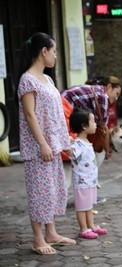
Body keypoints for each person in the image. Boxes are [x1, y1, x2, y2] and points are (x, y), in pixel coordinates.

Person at [16, 32, 76, 255]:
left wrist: (64, 140)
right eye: (55, 51)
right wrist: (42, 144)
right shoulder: (27, 80)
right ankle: (38, 238)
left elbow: (57, 114)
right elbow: (30, 115)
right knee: (39, 193)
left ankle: (51, 232)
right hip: (38, 149)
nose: (56, 56)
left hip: (53, 146)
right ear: (44, 52)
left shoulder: (47, 79)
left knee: (53, 189)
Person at [69, 108, 108, 239]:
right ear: (84, 126)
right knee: (81, 207)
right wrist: (67, 142)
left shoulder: (86, 142)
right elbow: (71, 154)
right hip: (82, 182)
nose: (96, 124)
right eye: (93, 121)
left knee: (89, 205)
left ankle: (91, 225)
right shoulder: (77, 143)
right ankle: (83, 229)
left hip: (90, 181)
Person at [61, 76, 122, 160]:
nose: (116, 98)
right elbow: (103, 127)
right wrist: (107, 150)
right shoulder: (102, 96)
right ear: (109, 87)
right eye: (116, 93)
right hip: (63, 107)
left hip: (61, 104)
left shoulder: (95, 90)